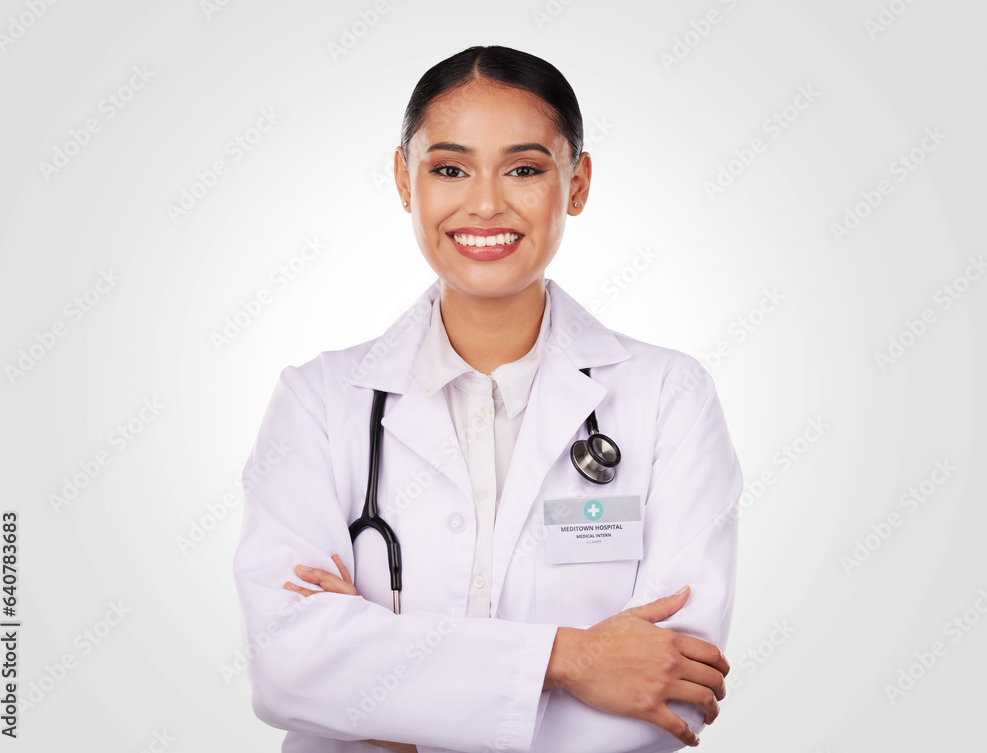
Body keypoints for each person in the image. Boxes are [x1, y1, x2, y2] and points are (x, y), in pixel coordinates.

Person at [233, 45, 742, 753]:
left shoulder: (668, 396)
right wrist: (572, 659)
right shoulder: (318, 402)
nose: (485, 203)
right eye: (449, 168)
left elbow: (673, 685)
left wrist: (385, 703)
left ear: (578, 183)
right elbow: (288, 664)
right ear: (405, 181)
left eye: (526, 169)